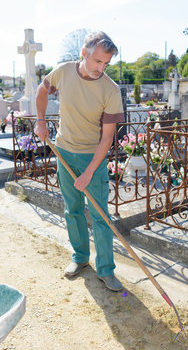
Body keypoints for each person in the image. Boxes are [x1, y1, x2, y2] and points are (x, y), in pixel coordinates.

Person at [34, 31, 125, 291]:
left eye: (106, 63)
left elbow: (107, 139)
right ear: (84, 54)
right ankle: (80, 259)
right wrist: (41, 121)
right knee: (72, 210)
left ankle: (106, 270)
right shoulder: (63, 71)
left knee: (101, 217)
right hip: (64, 152)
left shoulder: (110, 90)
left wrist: (89, 172)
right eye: (98, 61)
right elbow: (43, 90)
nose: (101, 68)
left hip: (92, 157)